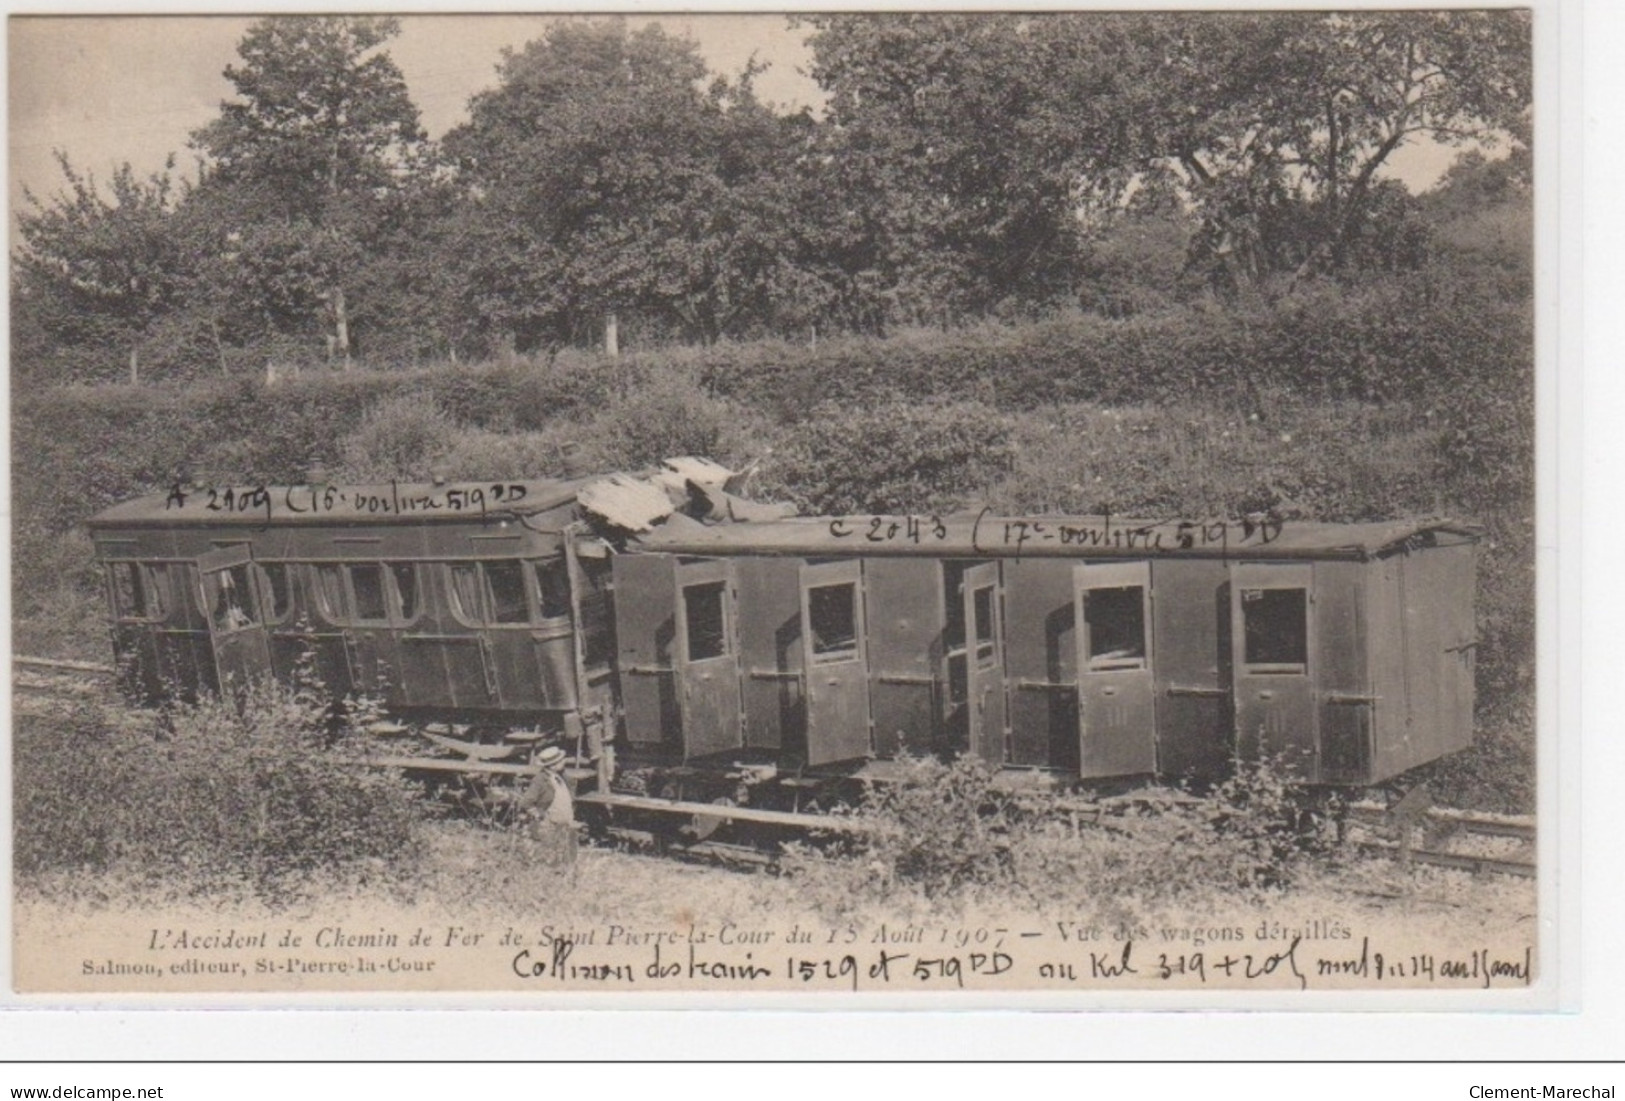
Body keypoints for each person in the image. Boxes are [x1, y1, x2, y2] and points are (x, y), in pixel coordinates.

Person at [518, 745, 577, 870]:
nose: (564, 761)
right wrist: (539, 816)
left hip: (564, 824)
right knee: (548, 855)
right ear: (553, 765)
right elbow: (525, 802)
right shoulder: (540, 780)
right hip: (550, 825)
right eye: (561, 760)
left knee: (563, 855)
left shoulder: (560, 776)